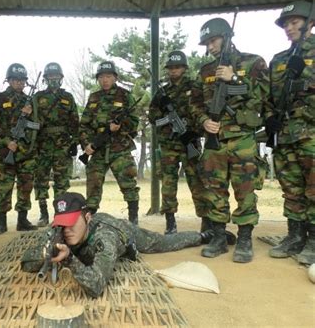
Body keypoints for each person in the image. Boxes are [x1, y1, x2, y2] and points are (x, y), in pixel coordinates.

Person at [21, 192, 213, 298]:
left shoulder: (105, 238)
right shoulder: (58, 231)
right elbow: (26, 263)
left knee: (162, 242)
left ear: (87, 217)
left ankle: (203, 235)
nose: (66, 229)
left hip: (124, 232)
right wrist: (45, 252)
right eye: (62, 223)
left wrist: (70, 259)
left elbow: (96, 286)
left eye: (72, 222)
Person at [189, 17, 268, 263]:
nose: (210, 47)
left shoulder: (253, 62)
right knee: (214, 190)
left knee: (245, 189)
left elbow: (264, 97)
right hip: (215, 140)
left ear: (226, 37)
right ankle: (219, 236)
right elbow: (194, 104)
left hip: (242, 138)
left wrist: (234, 79)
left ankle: (244, 237)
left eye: (213, 40)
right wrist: (203, 120)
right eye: (207, 43)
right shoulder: (205, 72)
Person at [265, 0, 314, 265]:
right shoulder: (279, 59)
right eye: (286, 24)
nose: (289, 28)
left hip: (312, 134)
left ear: (310, 22)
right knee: (292, 189)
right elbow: (270, 97)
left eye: (294, 22)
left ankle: (314, 241)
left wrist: (306, 74)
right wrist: (270, 118)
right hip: (285, 135)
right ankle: (295, 236)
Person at [148, 51, 209, 234]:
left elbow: (203, 109)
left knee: (197, 182)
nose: (174, 71)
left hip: (189, 141)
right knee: (168, 184)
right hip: (169, 145)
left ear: (184, 68)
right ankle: (170, 222)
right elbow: (152, 116)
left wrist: (192, 130)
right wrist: (166, 116)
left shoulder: (194, 87)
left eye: (177, 67)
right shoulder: (162, 93)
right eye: (171, 68)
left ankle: (206, 221)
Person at [79, 61, 140, 224]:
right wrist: (87, 145)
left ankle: (133, 219)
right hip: (98, 149)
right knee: (93, 182)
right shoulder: (94, 98)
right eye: (101, 77)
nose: (104, 80)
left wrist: (120, 127)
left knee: (128, 182)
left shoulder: (125, 95)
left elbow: (134, 122)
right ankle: (89, 216)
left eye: (108, 76)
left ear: (115, 78)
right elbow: (84, 124)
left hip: (119, 147)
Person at [0, 63, 38, 234]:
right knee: (6, 187)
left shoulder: (30, 101)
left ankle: (22, 220)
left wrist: (29, 113)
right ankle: (1, 222)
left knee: (25, 186)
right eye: (15, 80)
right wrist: (6, 142)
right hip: (6, 152)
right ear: (8, 80)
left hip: (26, 153)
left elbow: (37, 126)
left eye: (22, 80)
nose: (19, 83)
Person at [33, 62, 79, 227]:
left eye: (56, 76)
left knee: (62, 181)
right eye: (50, 77)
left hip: (63, 145)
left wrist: (75, 142)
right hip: (43, 144)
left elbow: (75, 122)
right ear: (45, 79)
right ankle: (43, 213)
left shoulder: (68, 98)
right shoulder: (37, 98)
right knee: (41, 180)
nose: (53, 79)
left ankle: (60, 213)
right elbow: (32, 122)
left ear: (61, 78)